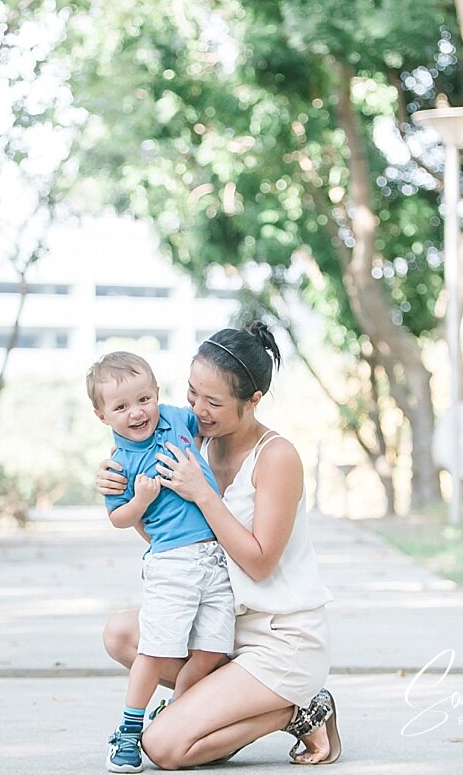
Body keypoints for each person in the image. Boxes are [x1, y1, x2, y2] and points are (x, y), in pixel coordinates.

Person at [96, 323, 341, 768]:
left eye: (213, 402)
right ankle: (229, 702)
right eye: (192, 395)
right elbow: (169, 539)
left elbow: (260, 563)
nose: (198, 410)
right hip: (222, 623)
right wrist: (129, 495)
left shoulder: (277, 456)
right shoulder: (195, 445)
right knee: (121, 633)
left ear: (253, 400)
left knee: (165, 749)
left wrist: (203, 494)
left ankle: (298, 708)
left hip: (279, 638)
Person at [87, 351, 235, 773]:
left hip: (217, 558)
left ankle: (174, 714)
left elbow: (206, 424)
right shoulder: (119, 465)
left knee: (210, 650)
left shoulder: (176, 419)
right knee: (156, 648)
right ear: (102, 416)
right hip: (173, 563)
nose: (137, 413)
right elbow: (118, 519)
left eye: (143, 399)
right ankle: (130, 730)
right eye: (121, 407)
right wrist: (141, 499)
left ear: (157, 394)